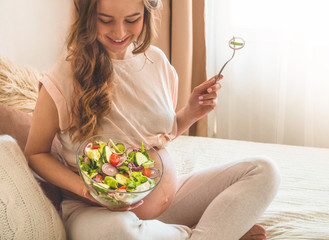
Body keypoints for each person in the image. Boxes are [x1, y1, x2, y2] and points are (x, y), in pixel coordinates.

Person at [24, 0, 280, 239]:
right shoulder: (64, 76)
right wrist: (87, 190)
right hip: (96, 212)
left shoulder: (156, 61)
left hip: (170, 203)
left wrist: (191, 112)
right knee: (119, 232)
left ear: (146, 14)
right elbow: (36, 152)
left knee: (263, 170)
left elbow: (157, 136)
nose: (119, 31)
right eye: (105, 20)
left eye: (132, 19)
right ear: (89, 16)